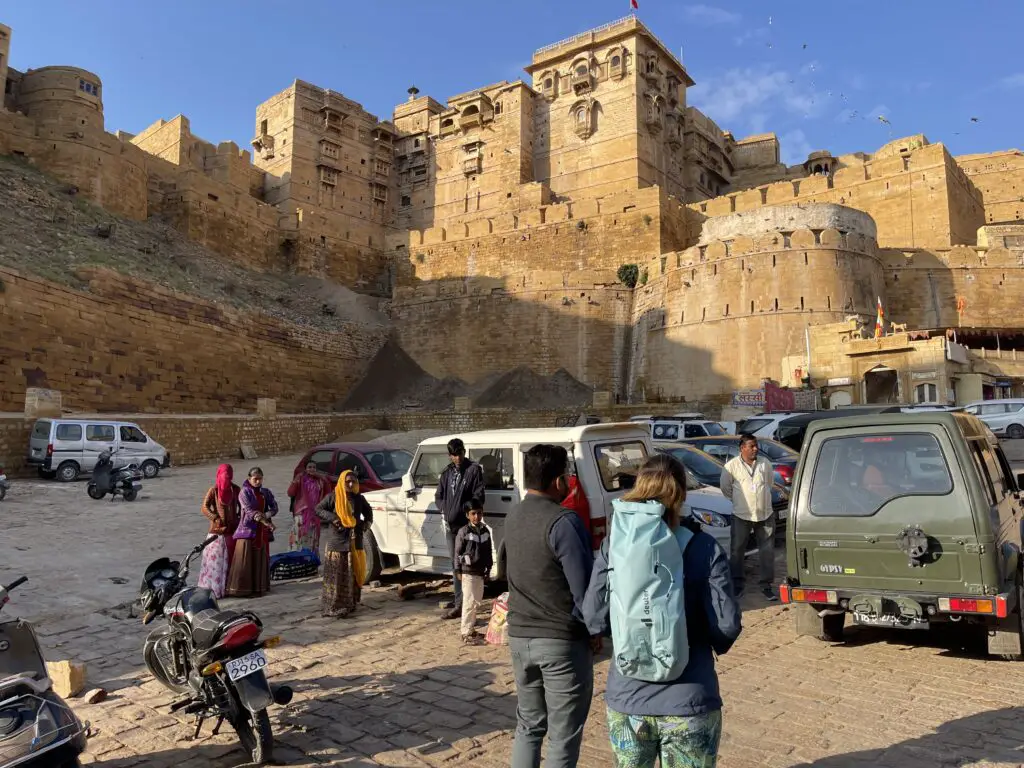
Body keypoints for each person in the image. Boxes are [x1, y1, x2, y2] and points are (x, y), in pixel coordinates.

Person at [583, 454, 742, 768]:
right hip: (689, 699)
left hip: (629, 700)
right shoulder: (704, 548)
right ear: (681, 496)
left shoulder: (614, 546)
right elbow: (726, 626)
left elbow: (592, 617)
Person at [505, 444, 597, 768]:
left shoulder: (512, 515)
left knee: (528, 726)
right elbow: (584, 592)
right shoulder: (564, 522)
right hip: (560, 642)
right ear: (559, 481)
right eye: (569, 475)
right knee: (562, 736)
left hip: (518, 637)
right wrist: (596, 631)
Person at [720, 433, 777, 600]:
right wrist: (740, 501)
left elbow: (769, 483)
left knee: (767, 551)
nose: (755, 449)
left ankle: (766, 585)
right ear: (742, 448)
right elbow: (726, 489)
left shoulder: (764, 464)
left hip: (764, 513)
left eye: (756, 445)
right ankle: (737, 584)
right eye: (751, 446)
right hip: (741, 515)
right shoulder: (731, 466)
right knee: (737, 551)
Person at [435, 438, 486, 620]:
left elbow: (478, 495)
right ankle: (459, 604)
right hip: (451, 526)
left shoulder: (473, 470)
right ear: (450, 456)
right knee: (455, 563)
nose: (458, 458)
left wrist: (466, 511)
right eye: (454, 455)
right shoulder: (447, 473)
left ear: (464, 452)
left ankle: (470, 604)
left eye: (460, 453)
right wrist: (445, 508)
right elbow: (439, 495)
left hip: (466, 526)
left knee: (470, 563)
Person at [316, 470, 373, 618]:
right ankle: (334, 605)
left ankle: (351, 604)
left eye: (353, 481)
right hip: (338, 541)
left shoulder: (359, 498)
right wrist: (333, 518)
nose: (350, 484)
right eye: (347, 481)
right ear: (342, 482)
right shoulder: (333, 497)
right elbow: (318, 509)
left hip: (354, 541)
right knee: (337, 575)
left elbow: (368, 513)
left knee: (353, 574)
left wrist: (366, 524)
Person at [226, 467, 278, 598]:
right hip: (247, 531)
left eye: (260, 479)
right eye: (255, 479)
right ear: (249, 479)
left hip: (261, 531)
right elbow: (249, 511)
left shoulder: (265, 492)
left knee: (259, 558)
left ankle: (259, 588)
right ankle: (242, 590)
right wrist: (266, 522)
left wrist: (266, 514)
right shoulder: (244, 492)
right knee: (245, 561)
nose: (258, 481)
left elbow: (274, 507)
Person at [197, 464, 241, 599]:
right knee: (215, 563)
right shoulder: (214, 490)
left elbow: (242, 505)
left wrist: (239, 517)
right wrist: (214, 517)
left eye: (228, 474)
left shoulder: (236, 489)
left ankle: (230, 588)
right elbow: (204, 507)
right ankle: (214, 590)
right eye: (224, 474)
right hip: (217, 533)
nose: (226, 477)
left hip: (232, 531)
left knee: (232, 561)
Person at [453, 505, 493, 645]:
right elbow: (457, 553)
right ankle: (465, 632)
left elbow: (488, 551)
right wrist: (458, 570)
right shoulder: (463, 531)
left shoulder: (485, 531)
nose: (476, 516)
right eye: (473, 513)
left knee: (476, 602)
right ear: (467, 515)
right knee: (469, 602)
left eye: (479, 513)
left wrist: (489, 568)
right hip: (468, 572)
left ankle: (471, 629)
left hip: (480, 572)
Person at [287, 461, 332, 553]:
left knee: (313, 540)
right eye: (309, 467)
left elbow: (328, 494)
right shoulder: (300, 479)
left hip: (315, 515)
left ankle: (311, 560)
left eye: (314, 467)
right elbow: (290, 493)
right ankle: (297, 560)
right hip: (301, 515)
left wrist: (323, 478)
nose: (312, 469)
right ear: (305, 469)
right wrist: (296, 480)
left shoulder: (320, 481)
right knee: (299, 539)